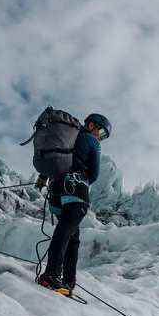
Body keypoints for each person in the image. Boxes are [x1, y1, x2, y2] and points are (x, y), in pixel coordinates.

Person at [35, 113, 110, 297]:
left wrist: (43, 177)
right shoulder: (91, 141)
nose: (101, 136)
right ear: (92, 125)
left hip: (57, 192)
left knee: (70, 234)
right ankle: (53, 275)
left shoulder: (70, 138)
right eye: (101, 131)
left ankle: (67, 281)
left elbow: (56, 163)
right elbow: (94, 174)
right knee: (67, 233)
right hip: (76, 191)